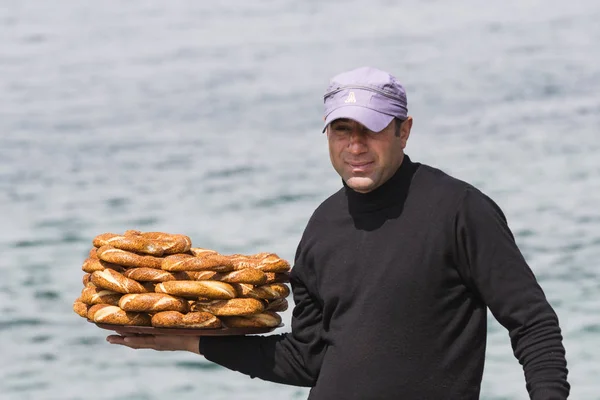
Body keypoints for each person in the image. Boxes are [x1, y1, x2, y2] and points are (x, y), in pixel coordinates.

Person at [107, 67, 570, 399]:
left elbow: (532, 322)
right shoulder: (323, 225)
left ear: (403, 130)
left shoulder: (460, 209)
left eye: (370, 130)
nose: (355, 147)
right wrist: (190, 341)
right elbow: (305, 360)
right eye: (341, 131)